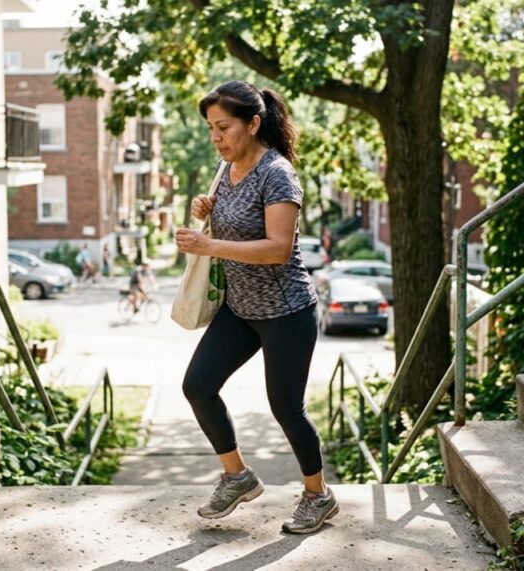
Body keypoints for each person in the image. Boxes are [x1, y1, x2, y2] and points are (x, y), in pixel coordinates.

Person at [175, 81, 333, 534]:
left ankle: (318, 496)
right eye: (211, 129)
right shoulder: (226, 170)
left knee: (286, 408)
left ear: (254, 123)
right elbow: (231, 225)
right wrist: (203, 208)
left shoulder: (277, 174)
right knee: (198, 385)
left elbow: (278, 248)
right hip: (240, 309)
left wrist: (209, 242)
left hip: (286, 312)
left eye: (223, 127)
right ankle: (237, 476)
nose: (216, 137)